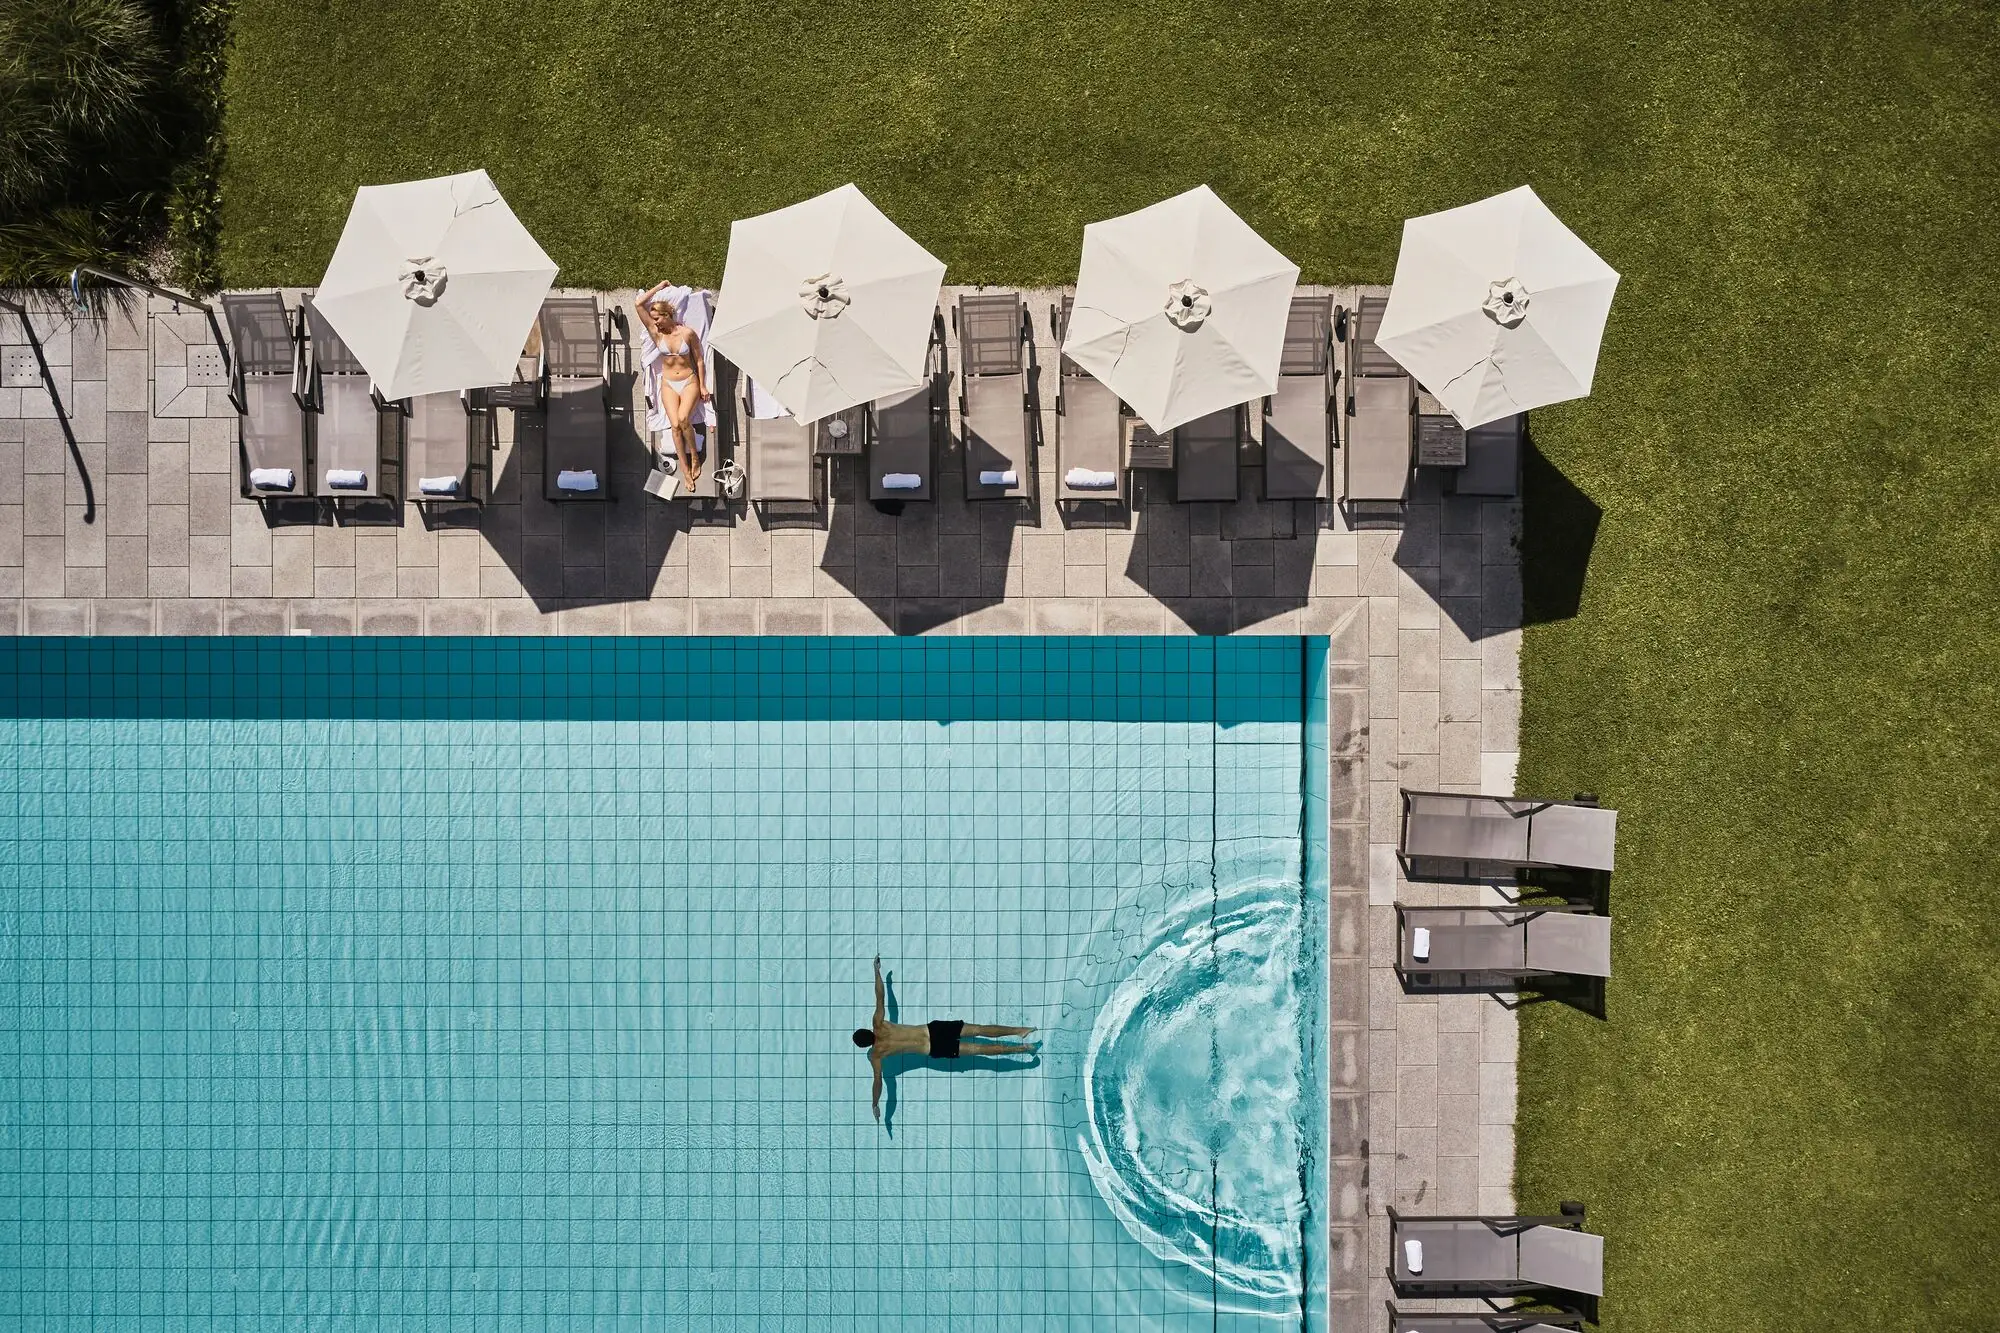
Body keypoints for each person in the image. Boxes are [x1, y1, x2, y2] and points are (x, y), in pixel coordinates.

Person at [854, 957, 1035, 1121]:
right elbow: (880, 997)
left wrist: (875, 1104)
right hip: (933, 1030)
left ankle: (1023, 1049)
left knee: (980, 1050)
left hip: (933, 1049)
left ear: (865, 1046)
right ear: (866, 1030)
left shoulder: (876, 1055)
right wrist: (877, 972)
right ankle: (1020, 1030)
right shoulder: (878, 1023)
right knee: (979, 1029)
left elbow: (878, 1081)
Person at [634, 281, 708, 484]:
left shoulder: (687, 333)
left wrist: (702, 385)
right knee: (675, 426)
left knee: (684, 419)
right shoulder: (656, 333)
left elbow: (699, 359)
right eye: (654, 320)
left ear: (667, 315)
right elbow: (639, 304)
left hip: (688, 381)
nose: (655, 323)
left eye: (658, 319)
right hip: (668, 383)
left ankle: (694, 456)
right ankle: (684, 469)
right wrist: (660, 286)